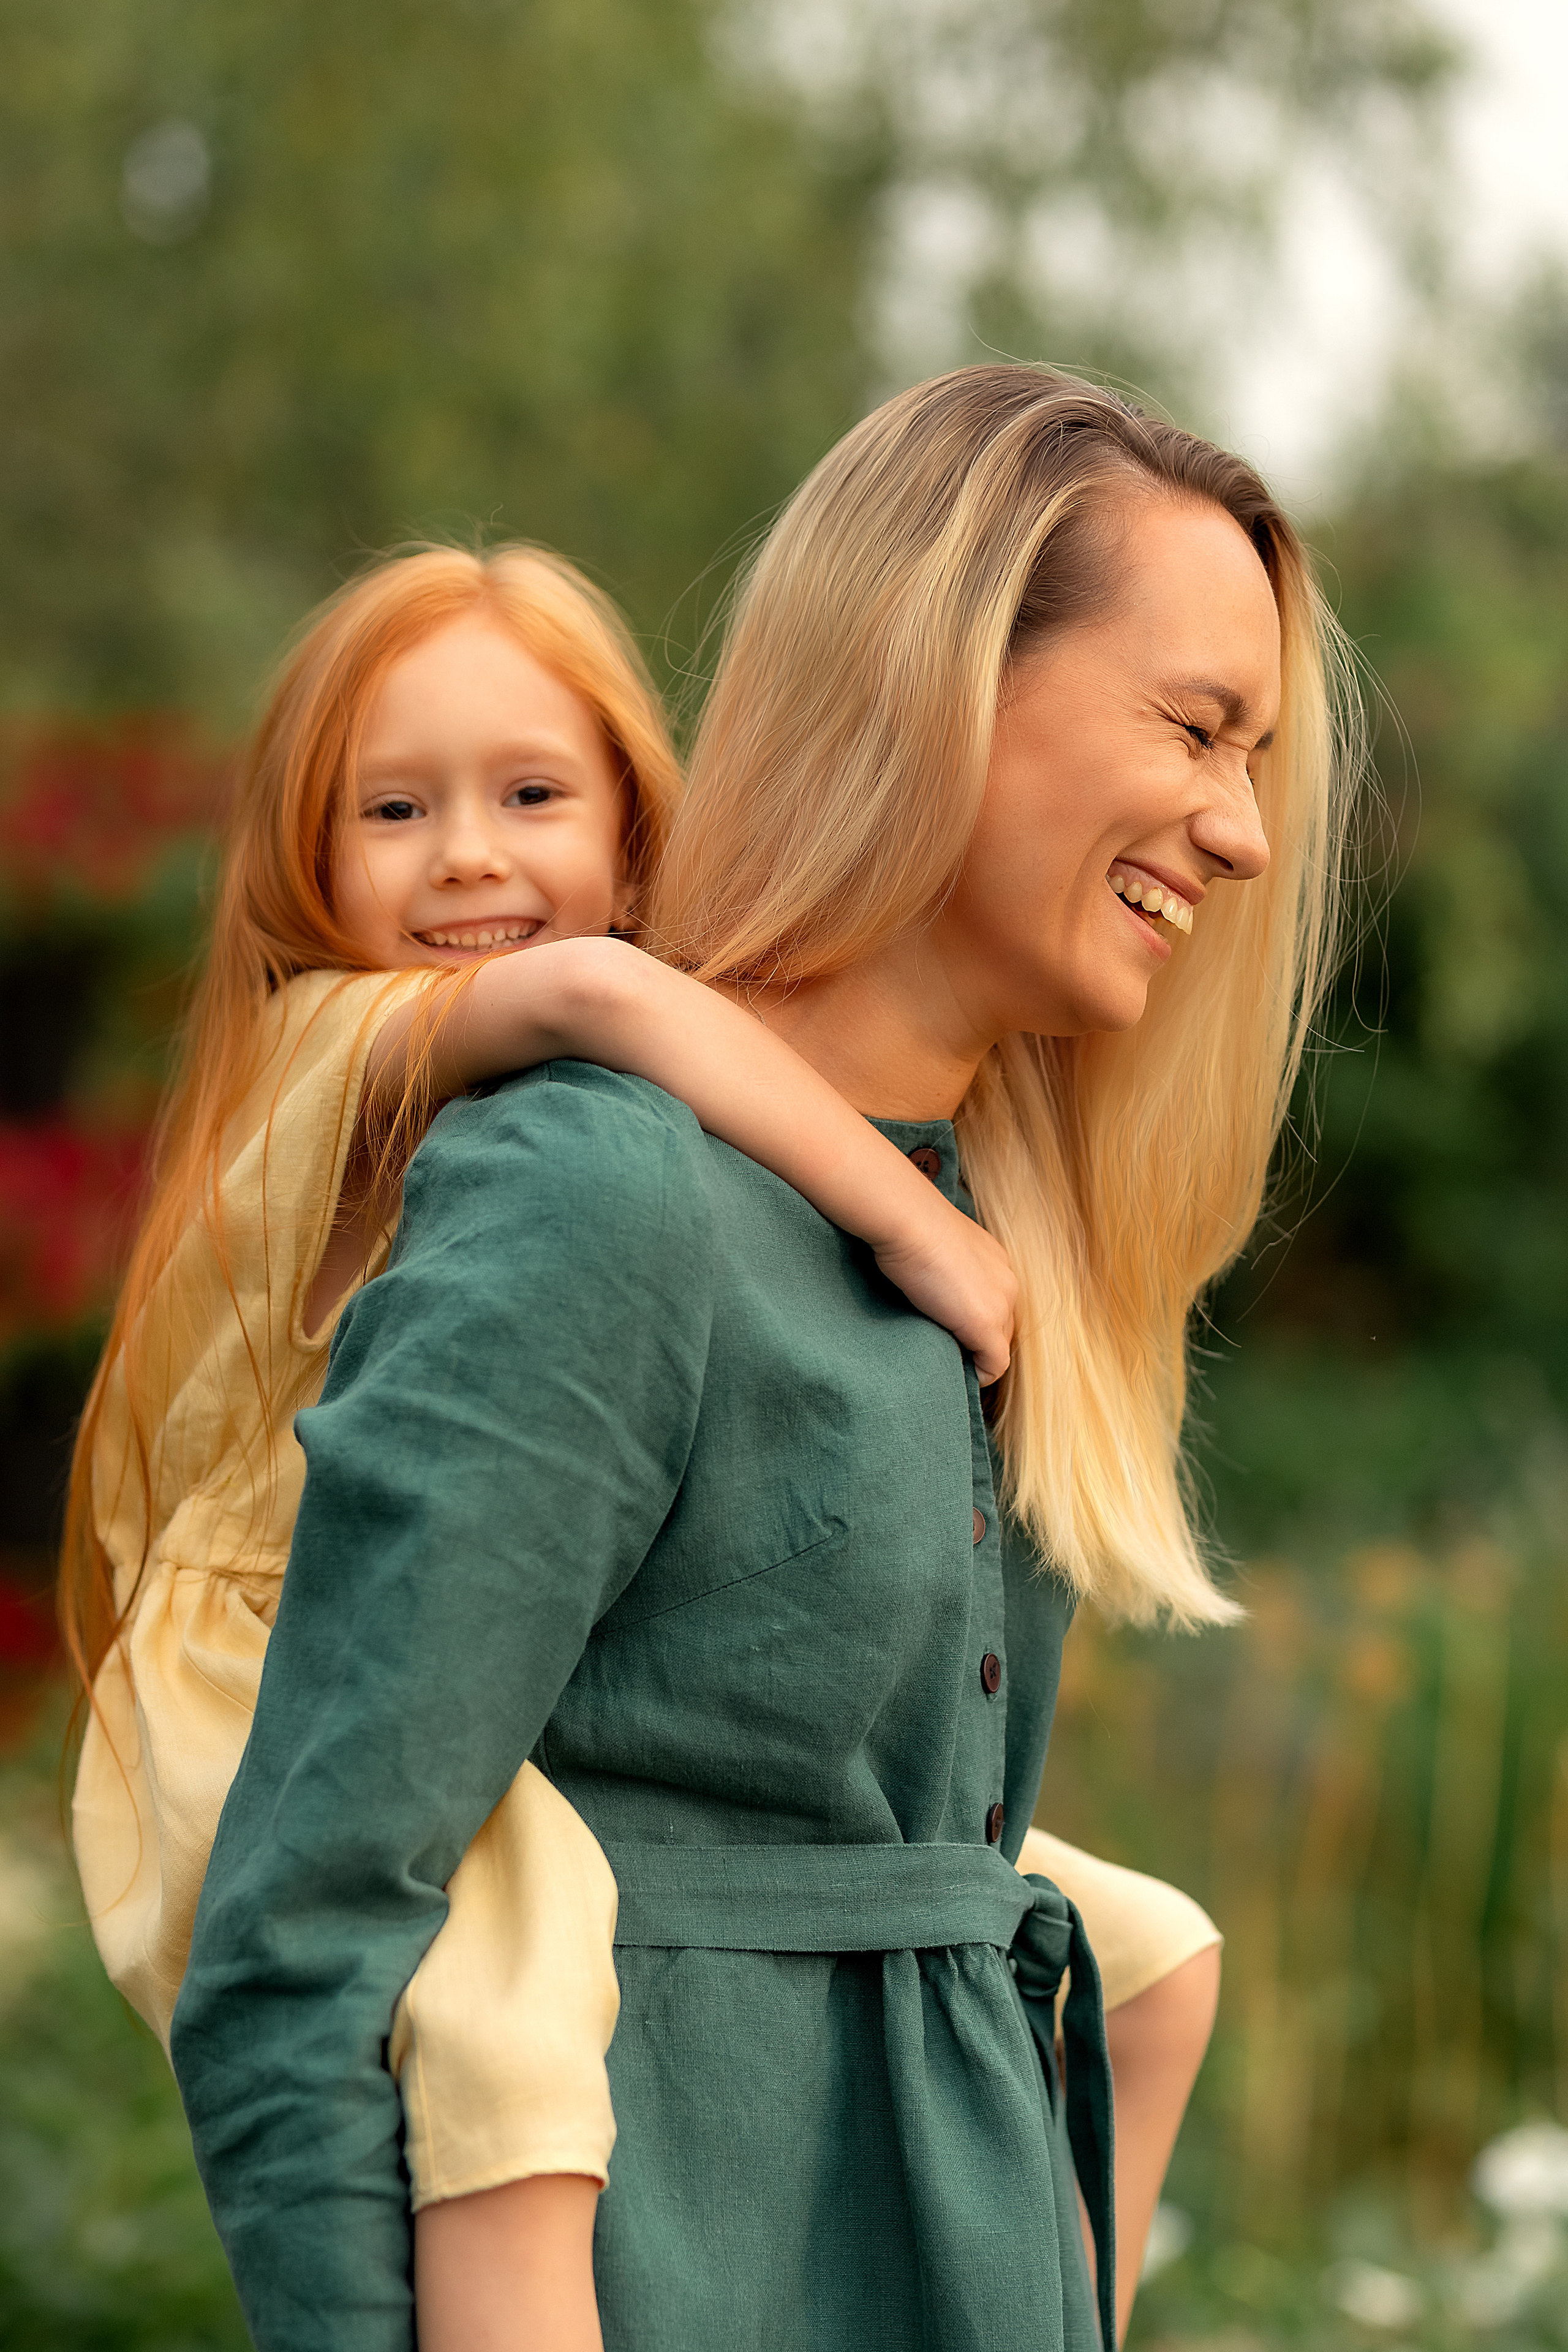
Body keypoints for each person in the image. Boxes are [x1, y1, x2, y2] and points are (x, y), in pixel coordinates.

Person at [184, 359, 1360, 2350]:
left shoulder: (985, 1250)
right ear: (946, 676)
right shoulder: (605, 1187)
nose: (1242, 831)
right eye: (1196, 727)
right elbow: (304, 1955)